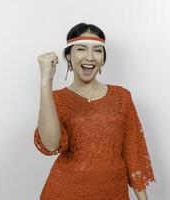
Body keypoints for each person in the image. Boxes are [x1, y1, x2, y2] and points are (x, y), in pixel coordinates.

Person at [33, 23, 156, 200]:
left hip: (114, 194)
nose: (90, 57)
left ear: (103, 58)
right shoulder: (56, 99)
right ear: (69, 55)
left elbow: (133, 154)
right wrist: (46, 82)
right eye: (81, 49)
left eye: (97, 50)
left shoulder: (122, 97)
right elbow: (51, 145)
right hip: (65, 193)